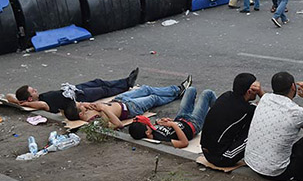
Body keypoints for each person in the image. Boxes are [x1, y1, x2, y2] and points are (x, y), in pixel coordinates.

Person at [244, 72, 303, 180]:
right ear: (293, 87)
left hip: (252, 163)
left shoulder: (265, 98)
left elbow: (279, 111)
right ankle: (300, 177)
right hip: (276, 172)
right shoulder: (296, 112)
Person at [64, 75, 193, 130]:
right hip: (130, 108)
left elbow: (78, 104)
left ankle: (175, 89)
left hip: (120, 100)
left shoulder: (84, 109)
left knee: (145, 89)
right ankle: (178, 92)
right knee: (153, 98)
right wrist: (103, 108)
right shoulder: (94, 121)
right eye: (80, 107)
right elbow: (118, 125)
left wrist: (87, 105)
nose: (82, 105)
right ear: (81, 114)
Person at [6, 68, 139, 113]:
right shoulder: (43, 105)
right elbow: (39, 105)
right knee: (103, 90)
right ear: (30, 99)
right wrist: (26, 104)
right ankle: (126, 85)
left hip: (73, 89)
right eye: (33, 91)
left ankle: (125, 80)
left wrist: (19, 102)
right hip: (78, 98)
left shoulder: (39, 98)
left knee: (98, 81)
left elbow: (8, 95)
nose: (35, 90)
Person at [201, 73, 264, 167]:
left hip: (206, 150)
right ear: (249, 91)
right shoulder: (246, 110)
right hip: (220, 157)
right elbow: (269, 106)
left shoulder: (226, 96)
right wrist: (261, 92)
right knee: (255, 132)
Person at [129, 86, 216, 148]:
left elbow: (167, 125)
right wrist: (173, 125)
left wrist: (165, 121)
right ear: (147, 133)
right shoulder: (161, 140)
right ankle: (224, 115)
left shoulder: (151, 130)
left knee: (190, 90)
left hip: (181, 118)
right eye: (147, 124)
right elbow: (184, 143)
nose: (150, 123)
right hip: (193, 124)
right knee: (207, 93)